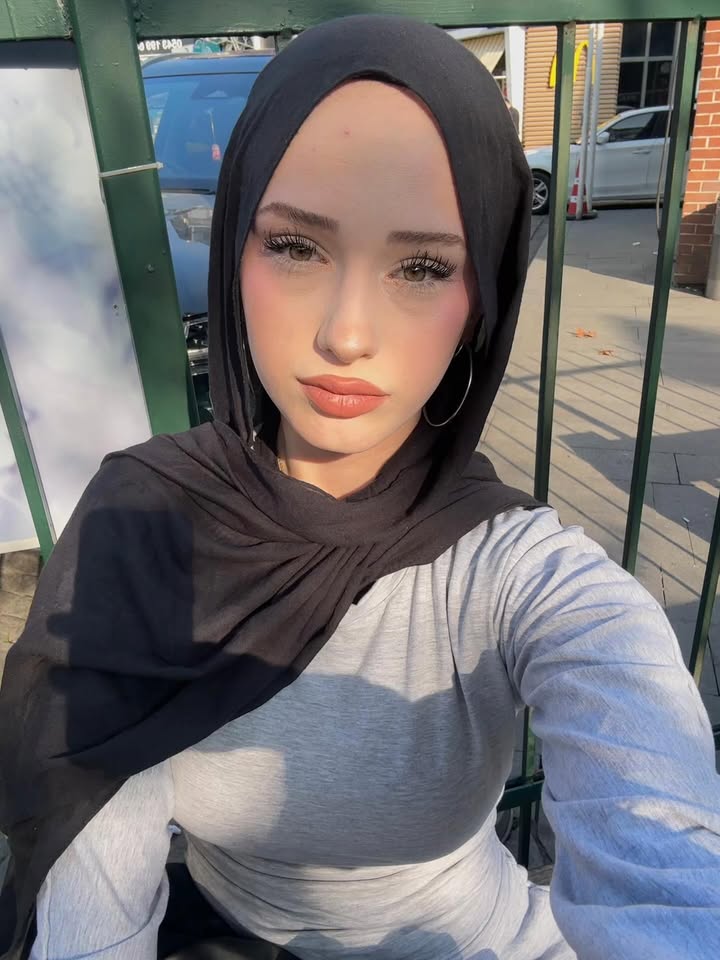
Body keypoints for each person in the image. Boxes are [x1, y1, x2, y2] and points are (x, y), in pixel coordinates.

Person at [1, 15, 718, 960]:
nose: (346, 333)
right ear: (235, 248)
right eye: (297, 247)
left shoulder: (517, 573)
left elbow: (663, 846)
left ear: (482, 300)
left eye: (421, 267)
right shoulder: (147, 524)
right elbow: (97, 887)